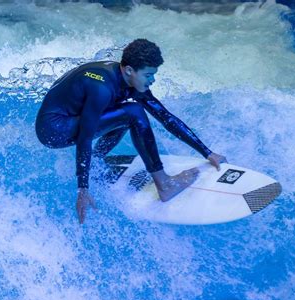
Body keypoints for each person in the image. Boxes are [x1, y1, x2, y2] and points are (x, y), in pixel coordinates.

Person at [36, 39, 227, 223]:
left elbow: (166, 118)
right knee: (133, 112)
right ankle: (164, 184)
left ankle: (96, 160)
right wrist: (83, 189)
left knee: (126, 113)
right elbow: (86, 137)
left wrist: (207, 152)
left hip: (72, 119)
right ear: (129, 70)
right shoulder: (101, 88)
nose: (153, 80)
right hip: (54, 129)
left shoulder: (130, 81)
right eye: (149, 75)